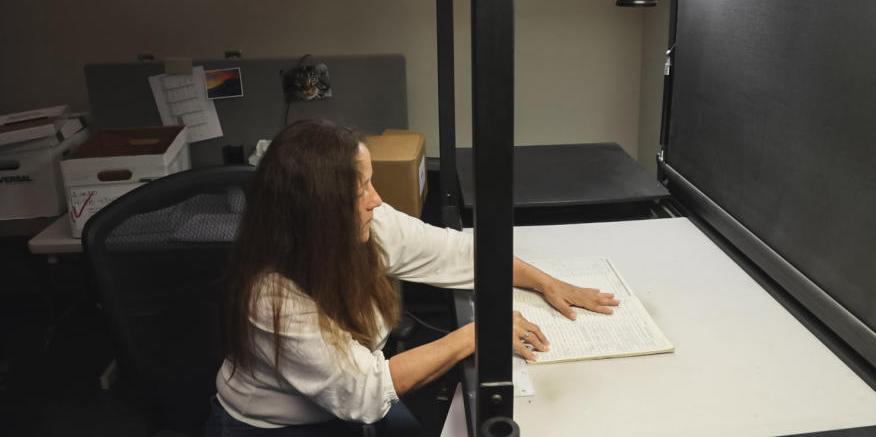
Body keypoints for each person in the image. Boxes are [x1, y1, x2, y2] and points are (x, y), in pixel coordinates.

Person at [206, 120, 619, 436]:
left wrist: (545, 281)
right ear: (318, 215)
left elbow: (459, 253)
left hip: (352, 396)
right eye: (360, 190)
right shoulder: (273, 295)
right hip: (278, 427)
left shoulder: (368, 225)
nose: (376, 199)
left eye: (370, 182)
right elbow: (364, 393)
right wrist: (479, 332)